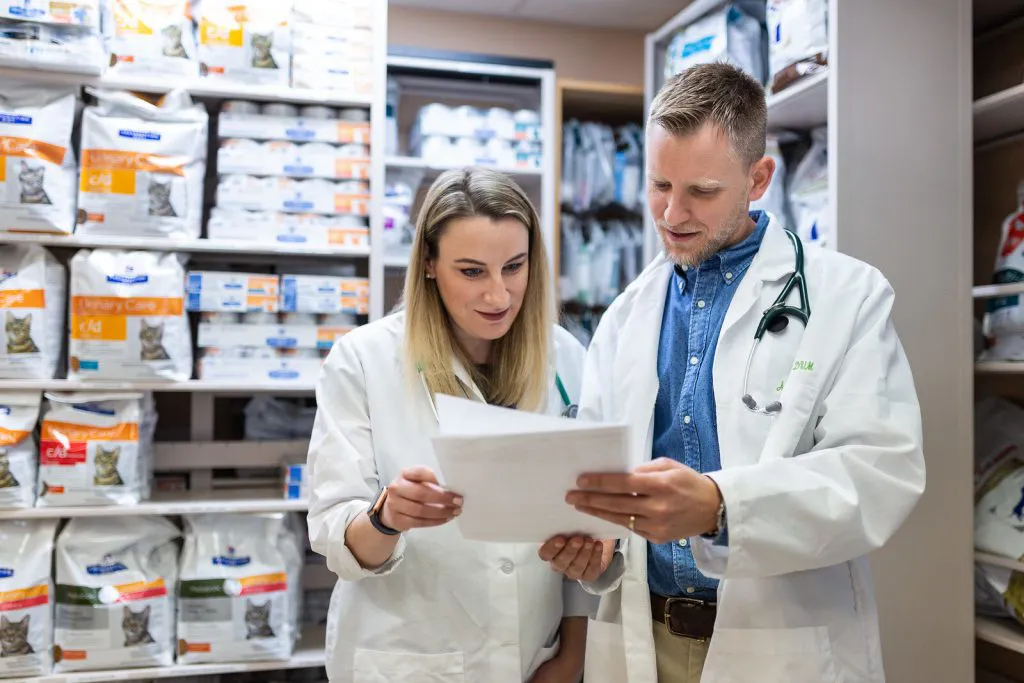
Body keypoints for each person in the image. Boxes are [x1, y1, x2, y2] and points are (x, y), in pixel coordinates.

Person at [540, 62, 926, 682]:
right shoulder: (625, 316)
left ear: (759, 178)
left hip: (777, 646)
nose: (672, 213)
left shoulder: (847, 295)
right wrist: (594, 550)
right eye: (660, 185)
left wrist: (722, 505)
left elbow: (881, 473)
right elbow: (600, 479)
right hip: (644, 639)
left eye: (702, 191)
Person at [307, 167, 594, 683]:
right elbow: (335, 537)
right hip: (407, 658)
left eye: (514, 266)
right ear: (430, 266)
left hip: (535, 658)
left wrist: (572, 657)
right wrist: (387, 517)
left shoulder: (567, 359)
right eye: (471, 271)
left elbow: (584, 535)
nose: (499, 295)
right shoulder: (364, 360)